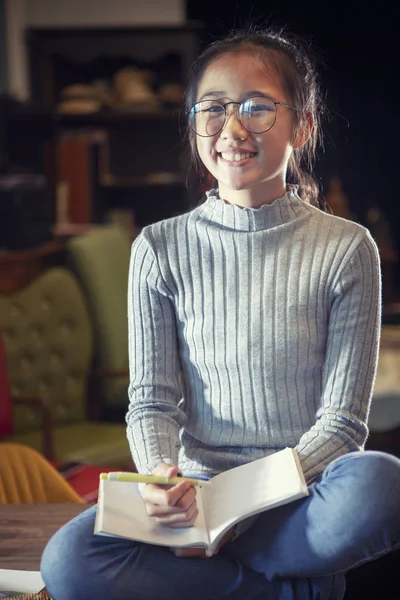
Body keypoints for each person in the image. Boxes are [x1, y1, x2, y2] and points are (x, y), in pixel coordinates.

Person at [40, 26, 400, 600]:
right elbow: (152, 401)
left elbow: (342, 427)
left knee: (381, 484)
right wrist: (161, 475)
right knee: (68, 561)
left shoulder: (346, 247)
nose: (232, 129)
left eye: (257, 108)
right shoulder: (157, 248)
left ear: (302, 126)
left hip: (297, 492)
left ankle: (229, 568)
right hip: (195, 496)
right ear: (193, 126)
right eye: (213, 109)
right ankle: (290, 588)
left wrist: (245, 505)